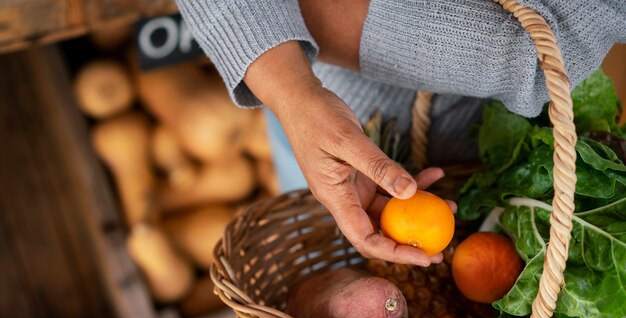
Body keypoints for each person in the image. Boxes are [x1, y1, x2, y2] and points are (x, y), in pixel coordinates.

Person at [176, 0, 626, 266]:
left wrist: (292, 19)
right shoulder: (296, 90)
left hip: (510, 146)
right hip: (313, 111)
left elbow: (559, 40)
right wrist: (293, 93)